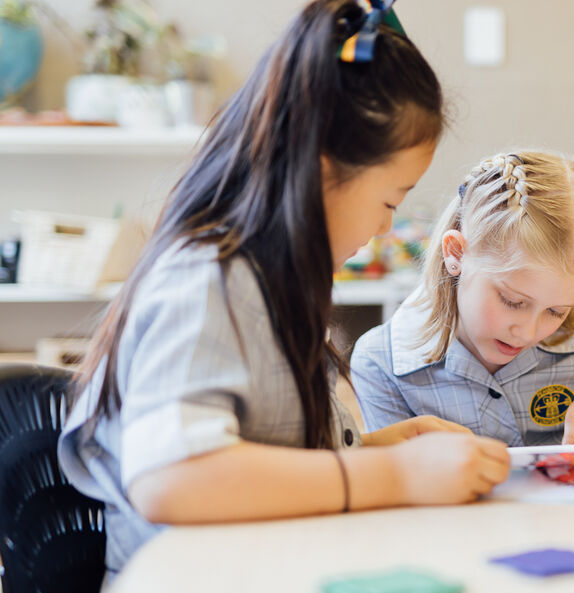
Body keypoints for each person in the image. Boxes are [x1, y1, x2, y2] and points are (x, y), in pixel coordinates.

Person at [57, 0, 509, 578]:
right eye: (389, 201)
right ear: (321, 167)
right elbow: (172, 479)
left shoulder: (269, 281)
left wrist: (379, 447)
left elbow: (264, 454)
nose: (384, 228)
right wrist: (396, 477)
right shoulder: (207, 279)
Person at [351, 151, 574, 446]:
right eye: (512, 301)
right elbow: (390, 484)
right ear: (456, 254)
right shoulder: (382, 362)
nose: (528, 332)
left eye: (556, 311)